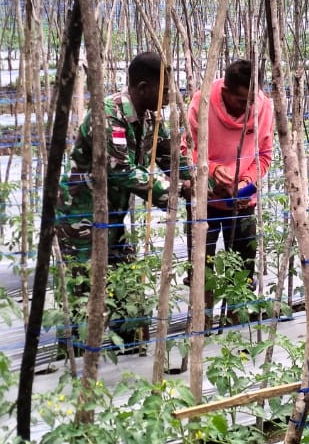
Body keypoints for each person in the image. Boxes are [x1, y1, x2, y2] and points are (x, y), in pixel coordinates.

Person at [55, 51, 187, 350]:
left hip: (113, 213)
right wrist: (172, 191)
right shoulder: (109, 114)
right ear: (143, 88)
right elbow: (120, 170)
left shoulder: (151, 116)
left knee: (126, 282)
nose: (169, 96)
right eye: (164, 89)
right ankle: (75, 357)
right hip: (80, 213)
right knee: (83, 288)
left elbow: (168, 155)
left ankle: (131, 348)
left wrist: (195, 180)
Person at [183, 58, 274, 320]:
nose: (248, 109)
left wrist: (246, 182)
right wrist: (211, 172)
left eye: (252, 102)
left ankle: (238, 324)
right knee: (201, 271)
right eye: (240, 102)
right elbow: (186, 148)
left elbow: (265, 155)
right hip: (205, 202)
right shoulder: (203, 102)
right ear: (225, 92)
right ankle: (202, 325)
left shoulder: (263, 107)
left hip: (243, 203)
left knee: (243, 270)